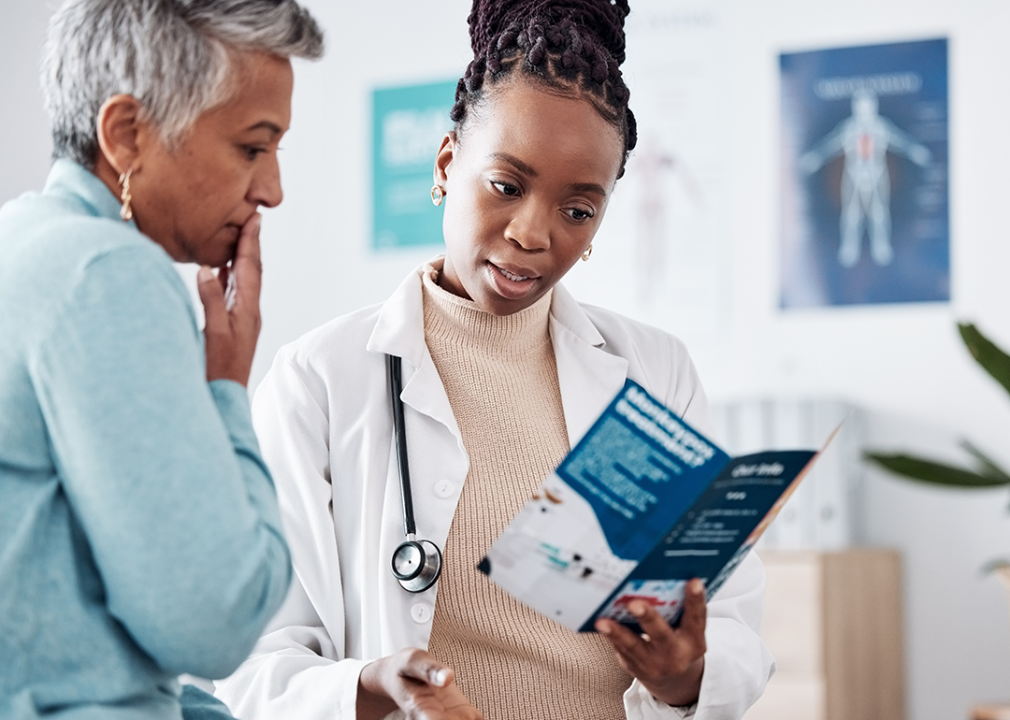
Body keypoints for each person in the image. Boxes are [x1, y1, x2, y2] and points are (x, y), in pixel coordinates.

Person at [216, 1, 774, 718]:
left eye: (578, 210)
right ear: (448, 164)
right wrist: (371, 687)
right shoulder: (320, 380)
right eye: (506, 186)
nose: (533, 233)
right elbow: (256, 662)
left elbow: (730, 623)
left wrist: (684, 676)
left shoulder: (653, 372)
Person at [0, 1, 323, 719]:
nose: (271, 190)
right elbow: (215, 621)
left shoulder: (21, 243)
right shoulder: (107, 273)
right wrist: (227, 388)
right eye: (252, 147)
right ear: (127, 134)